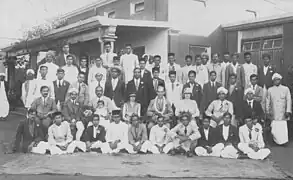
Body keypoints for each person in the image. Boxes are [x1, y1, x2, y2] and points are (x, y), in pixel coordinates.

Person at [266, 73, 292, 145]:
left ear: (280, 80)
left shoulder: (285, 89)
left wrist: (288, 111)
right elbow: (267, 101)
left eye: (278, 80)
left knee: (282, 127)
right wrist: (267, 111)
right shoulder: (270, 90)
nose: (276, 81)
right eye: (275, 80)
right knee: (275, 127)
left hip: (283, 112)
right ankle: (276, 141)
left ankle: (283, 142)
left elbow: (289, 100)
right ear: (273, 81)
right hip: (274, 112)